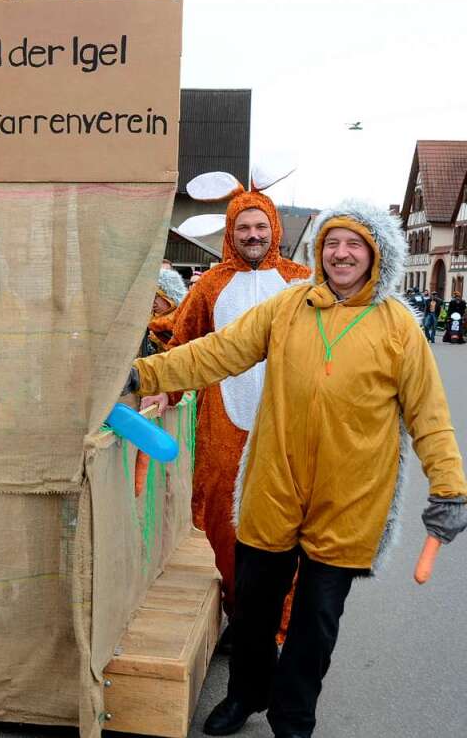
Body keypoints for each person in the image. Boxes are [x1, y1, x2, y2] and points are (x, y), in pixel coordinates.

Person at [127, 201, 467, 738]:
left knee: (314, 622)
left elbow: (430, 414)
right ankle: (245, 694)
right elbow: (215, 353)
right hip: (273, 485)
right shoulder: (287, 307)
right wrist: (137, 375)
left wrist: (448, 488)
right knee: (256, 608)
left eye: (354, 243)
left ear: (376, 253)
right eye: (332, 242)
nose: (341, 253)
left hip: (351, 498)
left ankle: (293, 717)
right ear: (319, 252)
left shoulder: (399, 325)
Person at [146, 173, 310, 629]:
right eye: (243, 228)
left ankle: (280, 627)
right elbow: (183, 345)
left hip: (287, 429)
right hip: (224, 429)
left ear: (274, 228)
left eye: (260, 227)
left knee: (287, 526)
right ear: (231, 232)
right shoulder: (210, 285)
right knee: (225, 525)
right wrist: (166, 388)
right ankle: (242, 613)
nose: (253, 236)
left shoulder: (302, 283)